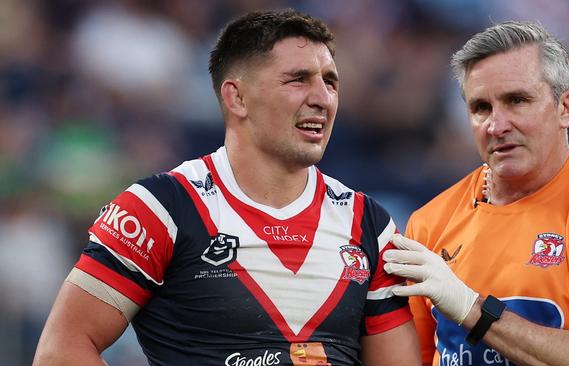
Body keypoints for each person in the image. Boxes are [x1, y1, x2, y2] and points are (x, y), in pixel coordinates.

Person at [33, 9, 421, 365]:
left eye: (330, 82)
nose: (322, 98)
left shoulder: (370, 224)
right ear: (236, 97)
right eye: (297, 80)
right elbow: (60, 351)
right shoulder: (160, 207)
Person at [383, 21, 569, 365]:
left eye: (517, 100)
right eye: (481, 108)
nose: (497, 125)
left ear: (566, 108)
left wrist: (472, 309)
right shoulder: (430, 223)